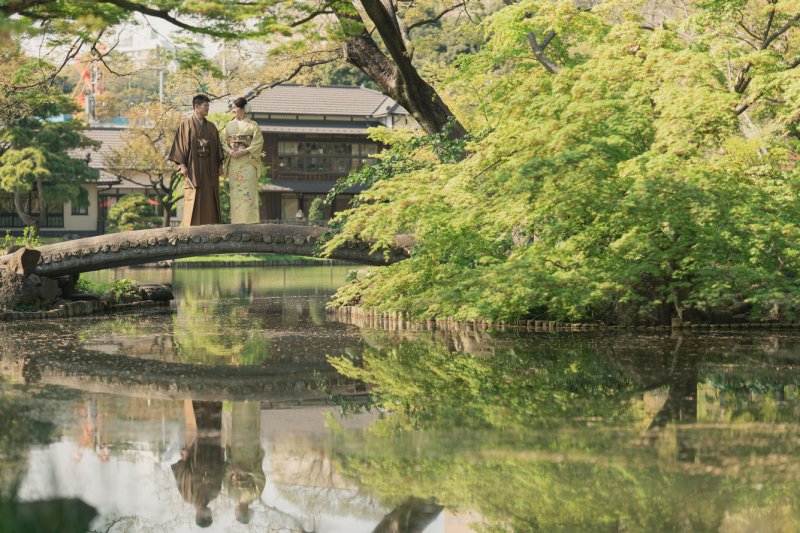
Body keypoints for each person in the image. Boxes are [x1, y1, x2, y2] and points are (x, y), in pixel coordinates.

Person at [169, 94, 223, 226]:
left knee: (210, 194)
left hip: (210, 166)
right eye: (205, 106)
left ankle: (210, 226)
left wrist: (220, 165)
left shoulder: (211, 127)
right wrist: (182, 165)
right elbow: (180, 146)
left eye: (208, 106)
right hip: (193, 167)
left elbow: (217, 148)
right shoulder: (185, 125)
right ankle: (191, 229)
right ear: (197, 106)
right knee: (193, 194)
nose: (208, 109)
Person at [172, 401, 225, 528]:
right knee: (213, 421)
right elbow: (221, 470)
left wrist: (185, 457)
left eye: (208, 516)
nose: (211, 513)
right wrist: (222, 453)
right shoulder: (215, 492)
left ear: (200, 515)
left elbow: (181, 475)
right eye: (211, 515)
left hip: (195, 451)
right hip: (212, 449)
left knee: (195, 419)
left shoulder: (187, 496)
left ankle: (192, 393)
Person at [220, 97, 264, 224]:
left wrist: (246, 150)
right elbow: (223, 142)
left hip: (248, 162)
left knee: (249, 191)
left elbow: (259, 141)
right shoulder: (229, 125)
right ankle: (236, 221)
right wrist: (229, 151)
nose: (233, 110)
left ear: (243, 109)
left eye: (235, 108)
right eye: (232, 108)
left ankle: (251, 221)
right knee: (236, 192)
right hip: (234, 162)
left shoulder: (253, 125)